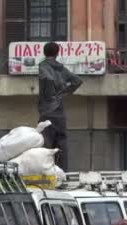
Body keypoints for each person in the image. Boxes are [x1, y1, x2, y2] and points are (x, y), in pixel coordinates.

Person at [38, 42, 83, 171]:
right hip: (59, 112)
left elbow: (48, 79)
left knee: (46, 144)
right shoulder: (61, 68)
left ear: (45, 53)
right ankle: (63, 173)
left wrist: (54, 94)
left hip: (47, 110)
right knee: (61, 143)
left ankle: (47, 173)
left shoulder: (43, 66)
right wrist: (63, 93)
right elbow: (77, 81)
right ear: (57, 53)